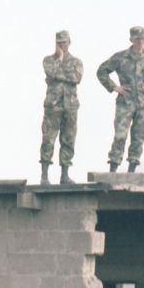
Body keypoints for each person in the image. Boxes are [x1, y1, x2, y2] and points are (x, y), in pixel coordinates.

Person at [96, 25, 144, 172]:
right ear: (131, 39)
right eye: (137, 39)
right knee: (120, 136)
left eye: (142, 39)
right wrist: (114, 87)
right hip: (125, 102)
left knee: (138, 137)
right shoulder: (120, 57)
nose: (140, 41)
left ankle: (131, 171)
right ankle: (113, 170)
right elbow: (101, 71)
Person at [40, 29, 83, 185]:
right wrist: (60, 59)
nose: (61, 45)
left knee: (68, 139)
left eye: (64, 42)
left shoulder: (77, 62)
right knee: (48, 139)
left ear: (69, 42)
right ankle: (44, 176)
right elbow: (50, 72)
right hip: (53, 105)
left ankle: (64, 175)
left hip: (70, 106)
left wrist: (55, 77)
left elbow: (76, 78)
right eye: (59, 43)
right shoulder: (48, 60)